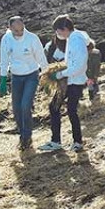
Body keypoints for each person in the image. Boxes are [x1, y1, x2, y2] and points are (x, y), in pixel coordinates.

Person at [39, 15, 90, 152]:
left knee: (70, 110)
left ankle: (76, 142)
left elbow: (79, 64)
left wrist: (61, 74)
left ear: (65, 28)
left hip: (75, 81)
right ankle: (58, 141)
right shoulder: (72, 38)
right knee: (55, 107)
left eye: (58, 31)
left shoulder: (76, 40)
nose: (58, 34)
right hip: (70, 80)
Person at [0, 16, 48, 150]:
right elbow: (4, 59)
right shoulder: (6, 39)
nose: (19, 33)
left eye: (21, 29)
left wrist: (47, 75)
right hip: (16, 76)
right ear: (10, 28)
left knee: (25, 105)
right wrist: (3, 79)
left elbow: (41, 57)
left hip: (31, 75)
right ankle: (22, 132)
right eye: (16, 31)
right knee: (16, 108)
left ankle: (27, 136)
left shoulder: (32, 38)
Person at [45, 33, 101, 101]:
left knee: (90, 83)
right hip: (74, 72)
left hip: (88, 71)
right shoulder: (70, 52)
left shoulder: (95, 54)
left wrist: (94, 76)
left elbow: (95, 67)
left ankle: (92, 95)